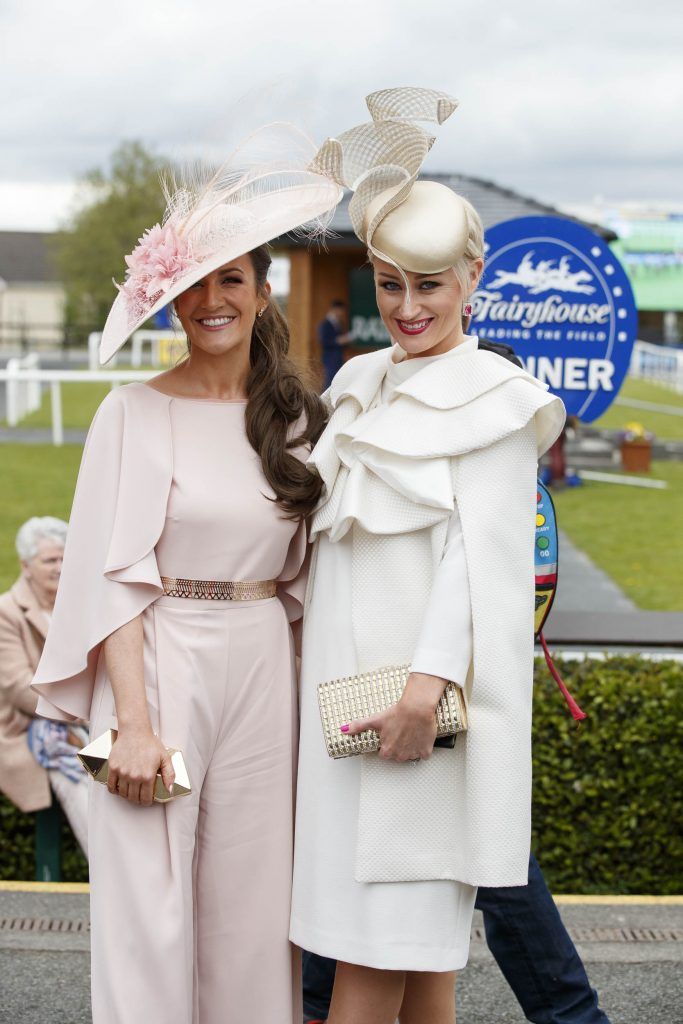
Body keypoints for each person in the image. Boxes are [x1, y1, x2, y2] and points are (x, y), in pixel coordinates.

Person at [30, 127, 341, 1024]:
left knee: (253, 914)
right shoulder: (129, 415)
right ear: (168, 300)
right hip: (159, 664)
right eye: (191, 284)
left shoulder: (293, 419)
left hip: (260, 670)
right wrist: (130, 724)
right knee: (148, 911)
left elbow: (308, 578)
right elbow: (111, 575)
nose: (211, 300)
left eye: (231, 278)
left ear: (261, 289)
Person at [290, 88, 565, 1024]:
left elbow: (478, 567)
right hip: (340, 708)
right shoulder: (357, 381)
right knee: (414, 970)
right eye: (390, 281)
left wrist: (421, 693)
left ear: (472, 277)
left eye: (431, 283)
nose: (408, 306)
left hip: (413, 712)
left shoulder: (497, 398)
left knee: (380, 958)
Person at [0, 516, 88, 854]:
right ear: (25, 565)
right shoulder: (8, 611)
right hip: (32, 727)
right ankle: (105, 868)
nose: (60, 567)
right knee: (77, 778)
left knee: (122, 771)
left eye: (65, 558)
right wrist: (75, 714)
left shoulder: (78, 606)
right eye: (50, 560)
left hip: (84, 718)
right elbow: (17, 686)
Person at [317, 300, 352, 388]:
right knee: (329, 383)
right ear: (335, 309)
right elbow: (324, 342)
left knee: (337, 382)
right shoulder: (325, 324)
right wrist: (338, 341)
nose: (342, 313)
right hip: (329, 359)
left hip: (338, 358)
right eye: (341, 310)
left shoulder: (339, 323)